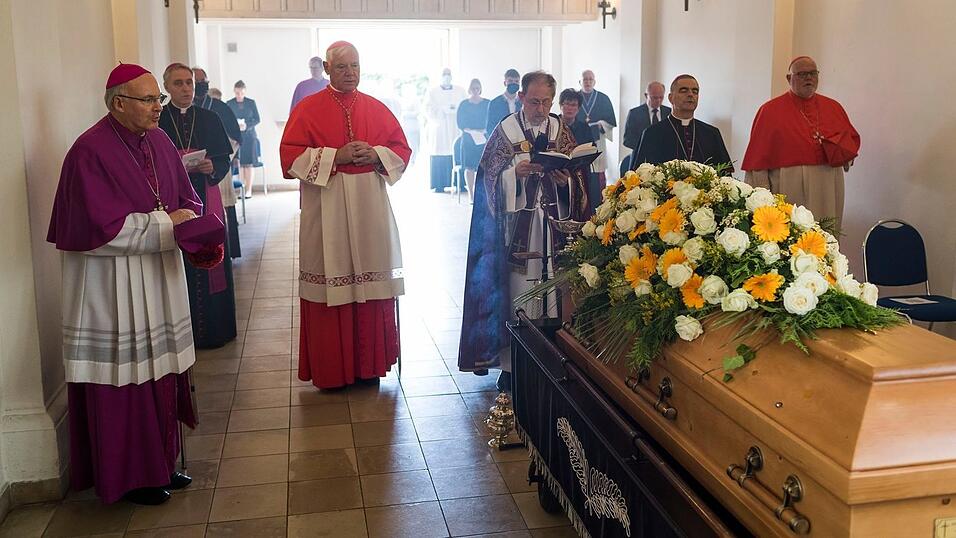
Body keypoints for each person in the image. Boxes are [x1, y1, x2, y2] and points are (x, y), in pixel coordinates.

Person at [47, 63, 216, 506]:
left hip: (156, 277)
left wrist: (192, 221)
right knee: (127, 379)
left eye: (158, 99)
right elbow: (98, 228)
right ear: (119, 103)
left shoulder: (158, 140)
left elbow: (185, 199)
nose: (158, 107)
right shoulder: (89, 151)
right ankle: (130, 477)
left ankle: (160, 463)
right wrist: (168, 222)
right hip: (114, 284)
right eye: (149, 100)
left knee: (159, 371)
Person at [280, 41, 410, 390]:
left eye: (355, 66)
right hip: (328, 206)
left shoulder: (376, 107)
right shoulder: (308, 109)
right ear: (326, 68)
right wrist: (335, 157)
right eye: (342, 67)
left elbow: (401, 149)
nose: (350, 73)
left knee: (370, 280)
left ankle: (369, 367)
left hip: (369, 205)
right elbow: (290, 157)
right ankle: (332, 371)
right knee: (330, 280)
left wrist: (376, 153)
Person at [459, 71, 590, 390]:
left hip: (554, 226)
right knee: (519, 289)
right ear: (521, 98)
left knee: (554, 290)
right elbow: (487, 181)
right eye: (534, 101)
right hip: (517, 230)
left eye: (546, 101)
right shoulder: (505, 131)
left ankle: (553, 356)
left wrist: (566, 181)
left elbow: (578, 179)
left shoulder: (561, 130)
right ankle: (512, 364)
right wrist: (513, 174)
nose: (541, 108)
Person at [160, 62, 238, 349]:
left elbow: (223, 159)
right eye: (178, 83)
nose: (185, 89)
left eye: (189, 83)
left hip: (206, 198)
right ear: (166, 87)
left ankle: (214, 331)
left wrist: (211, 165)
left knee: (210, 259)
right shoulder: (159, 121)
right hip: (173, 203)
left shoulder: (209, 118)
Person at [742, 56, 860, 229]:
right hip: (788, 185)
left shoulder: (833, 107)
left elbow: (848, 146)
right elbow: (758, 161)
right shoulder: (769, 110)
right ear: (789, 78)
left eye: (813, 73)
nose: (809, 78)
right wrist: (763, 198)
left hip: (827, 182)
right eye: (802, 74)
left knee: (826, 236)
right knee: (792, 236)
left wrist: (845, 154)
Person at [632, 74, 733, 172]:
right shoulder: (652, 134)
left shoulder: (711, 134)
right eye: (683, 91)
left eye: (695, 91)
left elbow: (725, 176)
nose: (690, 94)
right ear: (671, 98)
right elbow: (640, 176)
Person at [193, 66, 243, 258]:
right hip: (192, 174)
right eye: (195, 82)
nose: (199, 86)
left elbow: (235, 138)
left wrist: (218, 160)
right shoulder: (181, 112)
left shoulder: (219, 108)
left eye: (202, 81)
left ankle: (225, 252)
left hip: (218, 170)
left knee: (221, 208)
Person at [425, 68, 466, 192]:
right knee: (441, 151)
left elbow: (464, 106)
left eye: (448, 74)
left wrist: (454, 110)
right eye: (444, 74)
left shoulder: (460, 91)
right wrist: (443, 109)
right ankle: (439, 184)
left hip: (455, 126)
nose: (447, 76)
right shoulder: (433, 92)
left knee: (457, 153)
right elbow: (428, 109)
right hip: (441, 127)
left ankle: (459, 183)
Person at [558, 88, 598, 213]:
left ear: (578, 108)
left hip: (579, 172)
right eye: (567, 104)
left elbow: (592, 148)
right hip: (558, 173)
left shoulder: (584, 127)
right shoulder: (553, 124)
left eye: (574, 105)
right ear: (561, 105)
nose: (570, 108)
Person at [576, 70, 617, 181]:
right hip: (578, 141)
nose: (588, 82)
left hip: (598, 141)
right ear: (580, 82)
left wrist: (601, 125)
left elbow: (611, 121)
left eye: (590, 79)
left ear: (594, 82)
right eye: (585, 79)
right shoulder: (575, 98)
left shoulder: (603, 98)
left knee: (598, 174)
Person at [456, 78, 490, 201]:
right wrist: (469, 130)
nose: (475, 90)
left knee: (483, 167)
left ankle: (481, 195)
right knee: (469, 167)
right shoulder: (464, 104)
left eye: (477, 88)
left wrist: (483, 131)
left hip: (483, 138)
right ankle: (471, 194)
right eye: (473, 88)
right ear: (469, 89)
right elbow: (460, 122)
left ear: (480, 88)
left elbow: (491, 120)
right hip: (469, 139)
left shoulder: (487, 103)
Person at [227, 80, 262, 198]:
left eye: (241, 93)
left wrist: (247, 125)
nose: (239, 95)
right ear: (234, 91)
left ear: (244, 91)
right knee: (240, 163)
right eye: (237, 93)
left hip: (249, 136)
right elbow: (228, 120)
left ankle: (249, 189)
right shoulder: (229, 103)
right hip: (236, 137)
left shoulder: (251, 103)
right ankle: (241, 190)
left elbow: (257, 119)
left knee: (249, 164)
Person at [623, 81, 670, 152]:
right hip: (641, 156)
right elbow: (627, 140)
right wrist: (646, 147)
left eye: (661, 97)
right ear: (646, 95)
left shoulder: (669, 112)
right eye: (654, 97)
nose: (658, 100)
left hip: (664, 155)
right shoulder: (635, 113)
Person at [485, 68, 522, 137]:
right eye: (510, 81)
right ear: (505, 83)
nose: (513, 83)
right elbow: (490, 127)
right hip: (500, 140)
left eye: (516, 81)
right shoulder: (494, 103)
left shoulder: (523, 103)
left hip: (520, 141)